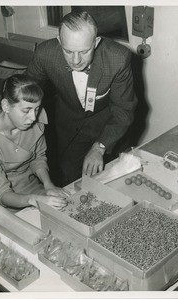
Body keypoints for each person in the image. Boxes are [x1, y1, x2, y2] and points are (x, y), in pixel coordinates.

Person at [26, 11, 137, 187]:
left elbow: (123, 110)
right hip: (68, 125)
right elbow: (25, 89)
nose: (76, 60)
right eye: (68, 51)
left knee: (113, 181)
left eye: (84, 51)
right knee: (68, 176)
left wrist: (100, 146)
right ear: (59, 41)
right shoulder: (45, 53)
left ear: (96, 42)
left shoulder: (118, 59)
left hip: (108, 127)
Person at [0, 74, 69, 227]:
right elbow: (2, 194)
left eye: (37, 109)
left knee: (62, 218)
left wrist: (48, 185)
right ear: (6, 106)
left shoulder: (35, 119)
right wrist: (33, 199)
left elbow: (38, 158)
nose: (33, 117)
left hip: (28, 184)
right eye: (26, 110)